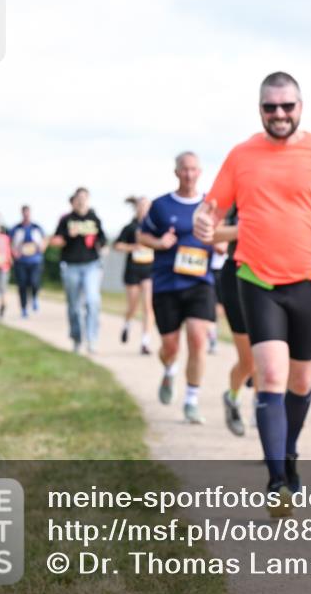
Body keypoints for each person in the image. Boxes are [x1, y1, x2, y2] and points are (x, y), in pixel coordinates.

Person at [194, 71, 311, 516]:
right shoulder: (241, 156)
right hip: (256, 279)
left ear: (300, 107)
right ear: (260, 110)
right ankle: (277, 481)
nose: (279, 114)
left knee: (300, 381)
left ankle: (289, 454)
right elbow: (211, 208)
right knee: (271, 375)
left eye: (287, 106)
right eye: (270, 107)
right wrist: (203, 220)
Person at [138, 153, 216, 425]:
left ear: (200, 171)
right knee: (170, 347)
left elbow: (222, 238)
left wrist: (220, 245)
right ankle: (169, 369)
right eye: (184, 169)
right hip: (167, 284)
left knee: (198, 339)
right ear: (176, 172)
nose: (189, 174)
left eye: (194, 169)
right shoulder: (161, 205)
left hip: (199, 282)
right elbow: (142, 235)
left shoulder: (211, 205)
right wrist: (159, 243)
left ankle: (191, 400)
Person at [50, 188, 108, 354]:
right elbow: (56, 240)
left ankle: (92, 339)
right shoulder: (66, 220)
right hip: (71, 265)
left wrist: (100, 244)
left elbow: (102, 238)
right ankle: (76, 337)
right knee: (74, 306)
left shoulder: (94, 218)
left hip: (92, 265)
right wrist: (68, 235)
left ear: (88, 199)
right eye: (78, 198)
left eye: (84, 197)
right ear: (74, 200)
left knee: (92, 301)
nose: (81, 201)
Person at [214, 203, 252, 437]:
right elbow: (214, 235)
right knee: (249, 362)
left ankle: (266, 412)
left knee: (273, 357)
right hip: (237, 274)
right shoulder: (235, 194)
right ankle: (233, 398)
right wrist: (248, 229)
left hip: (279, 274)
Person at [115, 196, 155, 354]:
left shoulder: (155, 227)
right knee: (132, 306)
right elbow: (117, 245)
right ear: (137, 208)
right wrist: (133, 247)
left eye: (147, 206)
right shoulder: (130, 227)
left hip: (149, 270)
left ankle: (145, 342)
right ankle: (127, 323)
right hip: (133, 270)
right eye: (141, 206)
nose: (144, 209)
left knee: (148, 306)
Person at [9, 205, 47, 318]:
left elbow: (45, 240)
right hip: (21, 261)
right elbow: (9, 243)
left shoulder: (37, 227)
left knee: (34, 282)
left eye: (28, 213)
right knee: (22, 285)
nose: (26, 215)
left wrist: (42, 248)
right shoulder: (16, 228)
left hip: (35, 261)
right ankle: (24, 308)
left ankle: (34, 297)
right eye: (24, 213)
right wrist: (14, 253)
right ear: (22, 213)